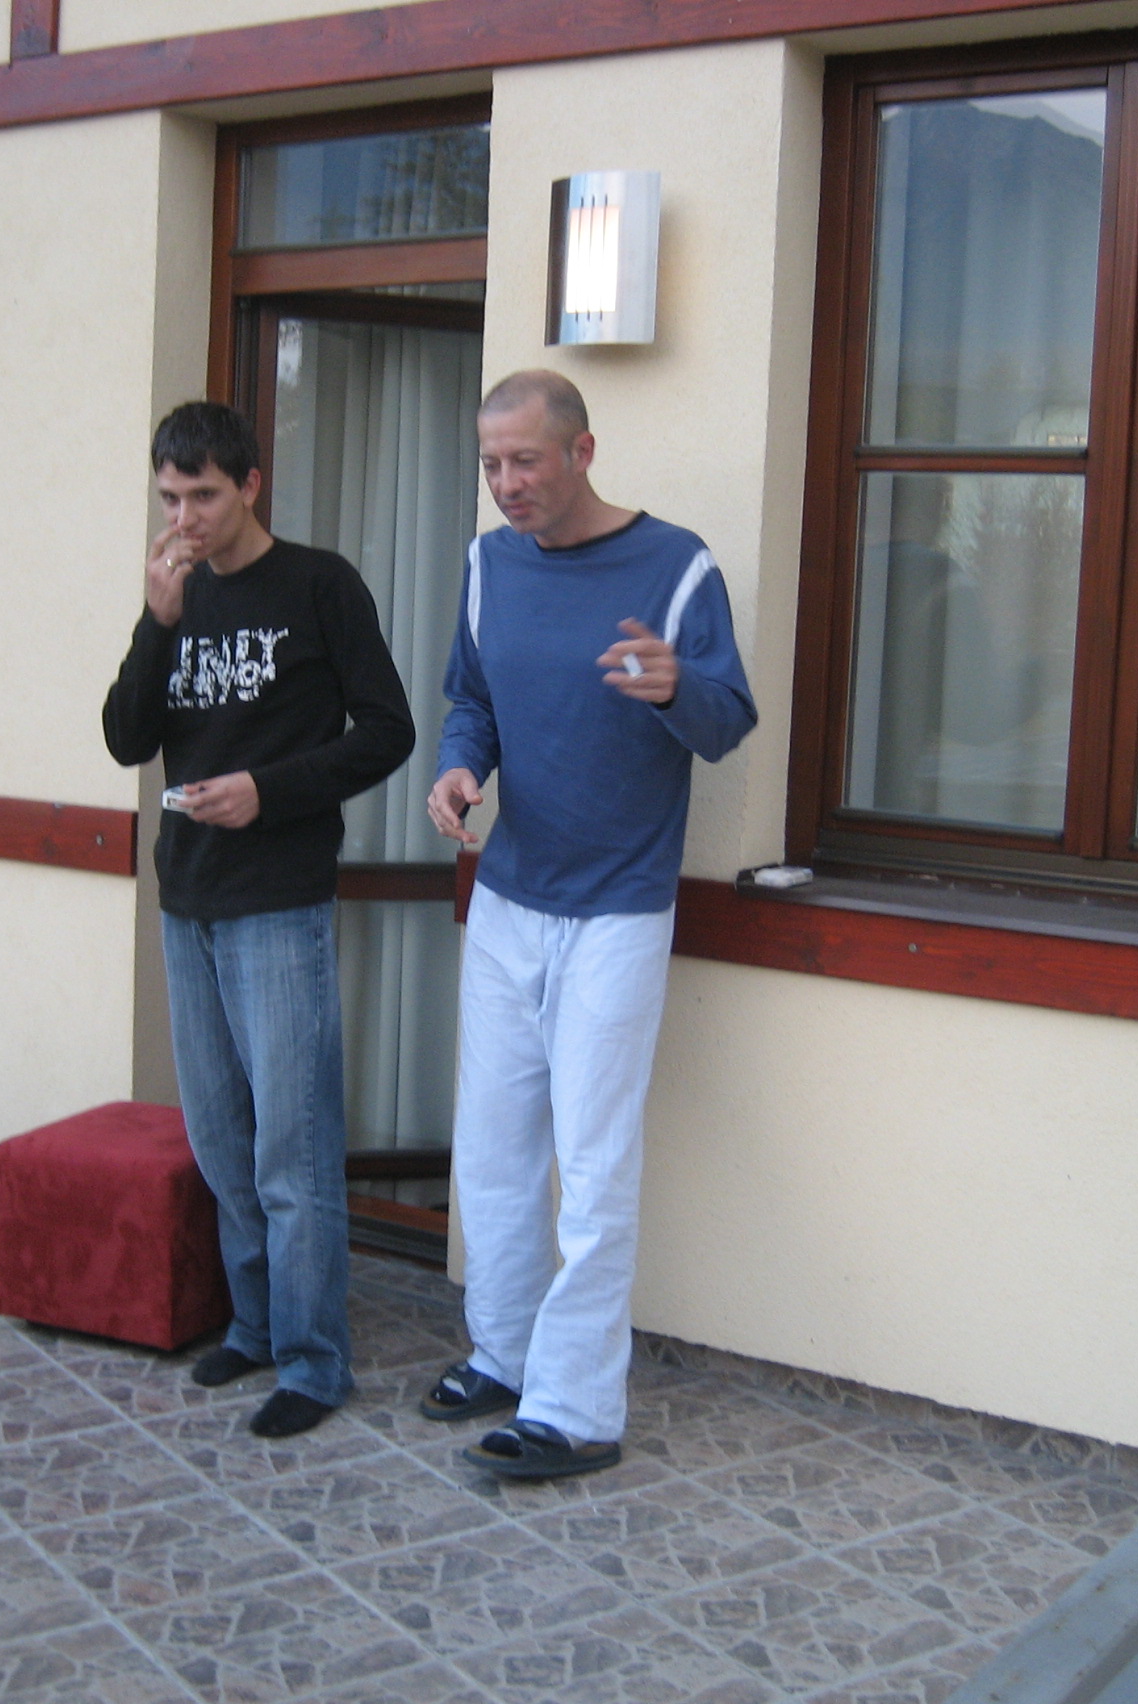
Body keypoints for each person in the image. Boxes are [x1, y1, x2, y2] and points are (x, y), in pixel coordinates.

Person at [420, 370, 757, 1479]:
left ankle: (574, 1412)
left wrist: (674, 689)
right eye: (491, 464)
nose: (505, 483)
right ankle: (505, 1352)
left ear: (582, 451)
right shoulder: (489, 565)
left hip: (617, 909)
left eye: (524, 460)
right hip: (509, 898)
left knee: (595, 1165)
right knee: (493, 1149)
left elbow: (727, 722)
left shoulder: (677, 566)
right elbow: (472, 698)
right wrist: (461, 767)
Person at [104, 401, 414, 1438]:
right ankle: (254, 1324)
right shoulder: (175, 594)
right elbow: (124, 738)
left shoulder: (320, 585)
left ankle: (315, 1362)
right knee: (220, 1139)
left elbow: (388, 730)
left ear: (249, 485)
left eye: (202, 495)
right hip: (187, 896)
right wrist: (156, 623)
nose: (184, 518)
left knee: (293, 1143)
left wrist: (267, 792)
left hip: (278, 900)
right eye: (169, 498)